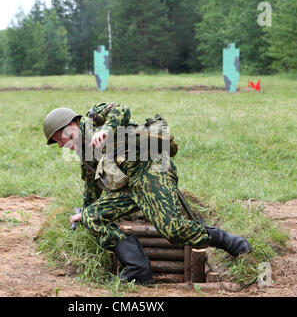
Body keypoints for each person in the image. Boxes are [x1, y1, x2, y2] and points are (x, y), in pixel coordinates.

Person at [43, 102, 251, 285]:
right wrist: (84, 213)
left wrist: (106, 129)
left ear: (70, 124)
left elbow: (122, 109)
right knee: (93, 216)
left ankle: (234, 244)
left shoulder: (94, 117)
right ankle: (139, 271)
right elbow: (92, 185)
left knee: (174, 230)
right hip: (128, 186)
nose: (61, 145)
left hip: (151, 171)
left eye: (59, 139)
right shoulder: (84, 152)